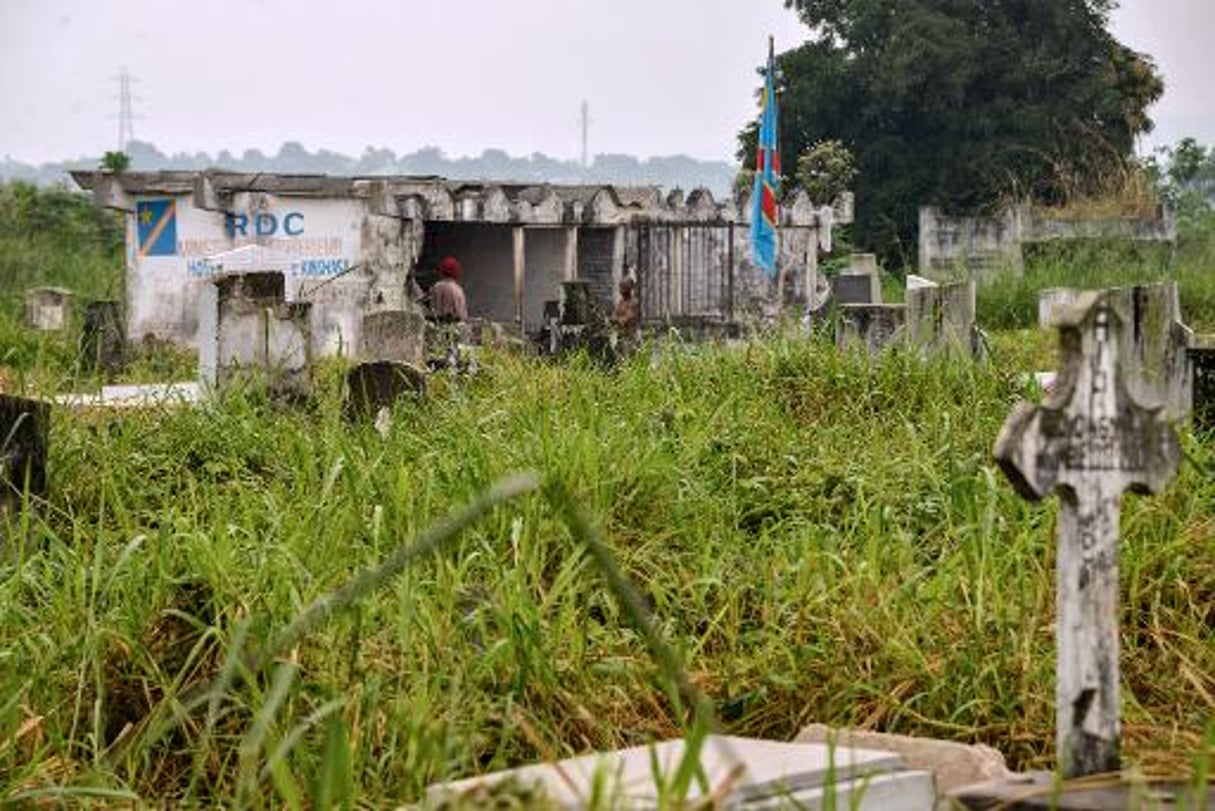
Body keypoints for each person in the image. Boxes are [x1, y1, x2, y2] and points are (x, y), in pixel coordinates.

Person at [428, 256, 468, 323]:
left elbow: (432, 308)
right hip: (452, 327)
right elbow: (462, 315)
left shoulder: (435, 287)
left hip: (436, 326)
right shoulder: (457, 290)